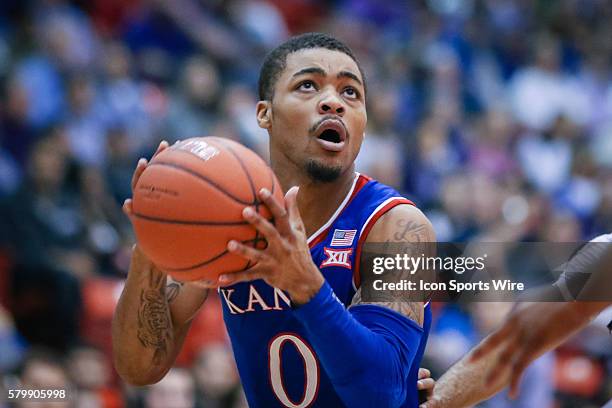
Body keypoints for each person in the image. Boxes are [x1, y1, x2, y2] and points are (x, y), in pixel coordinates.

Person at [112, 33, 436, 407]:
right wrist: (152, 250)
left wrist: (306, 286)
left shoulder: (397, 226)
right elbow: (139, 368)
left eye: (351, 92)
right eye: (308, 85)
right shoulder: (230, 217)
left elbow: (382, 395)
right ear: (264, 113)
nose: (333, 101)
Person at [422, 233, 612, 408]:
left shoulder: (539, 365)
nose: (491, 309)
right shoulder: (603, 252)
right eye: (486, 303)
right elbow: (519, 336)